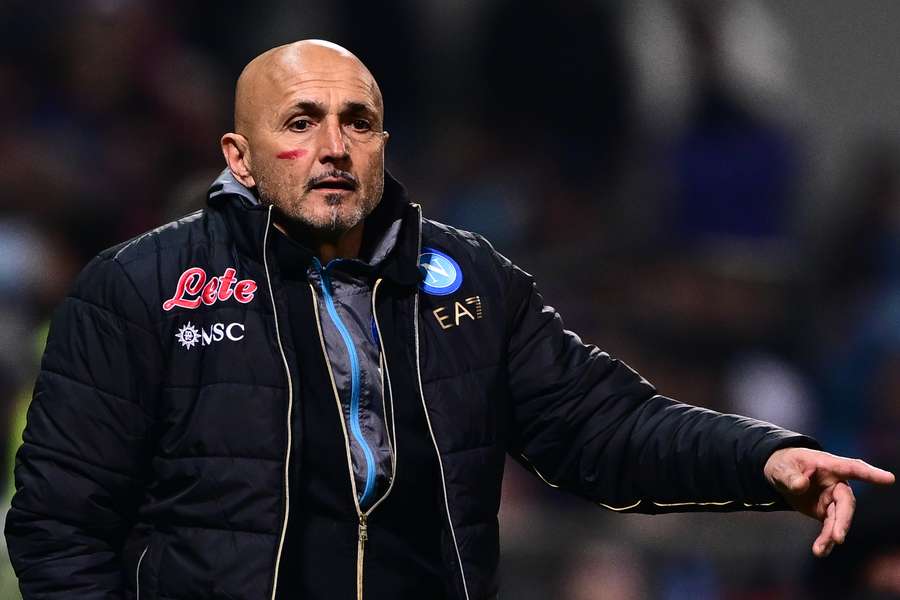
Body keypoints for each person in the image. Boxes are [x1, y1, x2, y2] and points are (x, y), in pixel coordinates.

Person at [4, 39, 894, 600]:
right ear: (237, 154)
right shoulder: (141, 288)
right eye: (301, 121)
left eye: (358, 122)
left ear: (385, 144)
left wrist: (759, 459)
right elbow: (58, 524)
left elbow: (600, 426)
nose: (333, 147)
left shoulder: (471, 283)